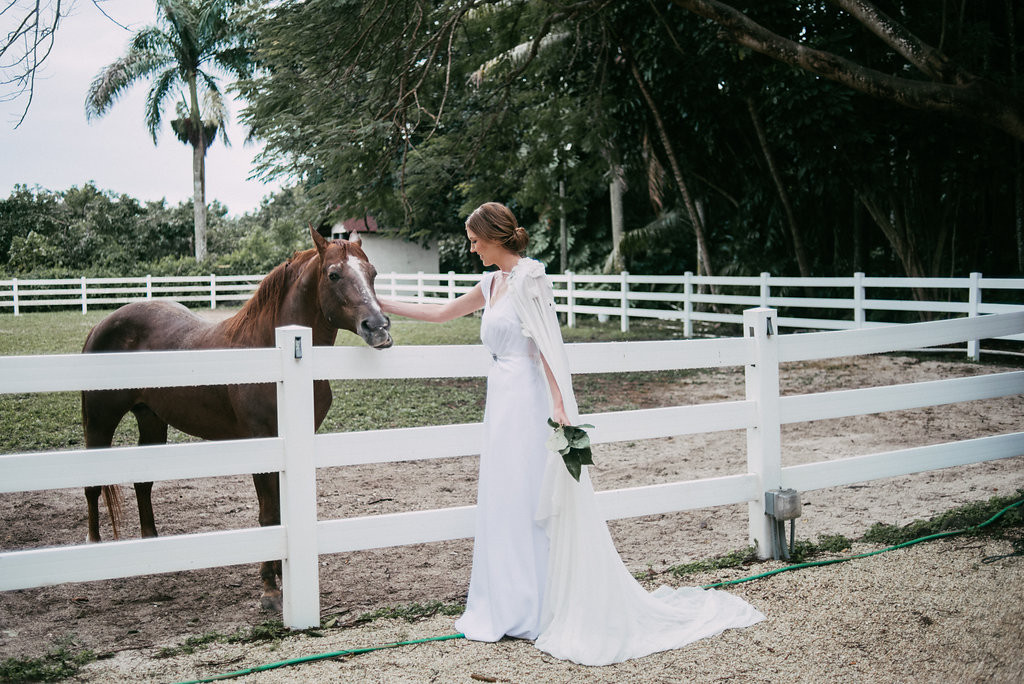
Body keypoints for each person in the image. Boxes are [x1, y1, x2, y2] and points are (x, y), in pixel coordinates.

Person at [378, 202, 764, 666]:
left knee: (529, 496)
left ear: (494, 236)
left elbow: (547, 344)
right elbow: (440, 314)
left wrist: (560, 406)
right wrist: (373, 301)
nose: (471, 245)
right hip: (500, 399)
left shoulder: (529, 278)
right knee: (503, 498)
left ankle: (542, 605)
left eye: (474, 238)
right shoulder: (491, 282)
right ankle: (508, 604)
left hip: (528, 400)